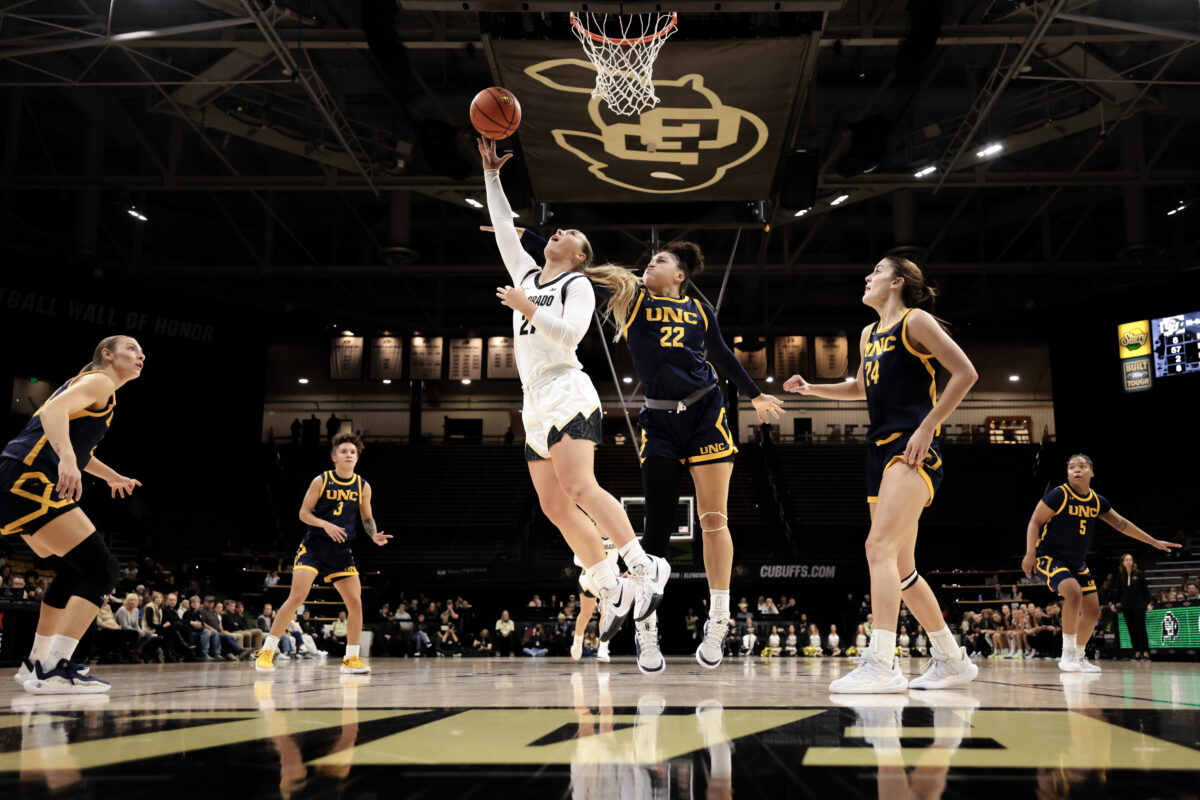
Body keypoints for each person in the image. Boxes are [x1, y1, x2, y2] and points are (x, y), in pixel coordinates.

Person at [479, 136, 665, 650]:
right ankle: (608, 586)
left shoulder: (575, 286)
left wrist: (526, 306)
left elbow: (572, 336)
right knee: (554, 508)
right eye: (554, 229)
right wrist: (493, 175)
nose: (555, 231)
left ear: (579, 255)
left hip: (568, 389)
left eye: (567, 233)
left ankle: (643, 566)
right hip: (534, 399)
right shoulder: (526, 272)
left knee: (581, 487)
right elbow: (502, 232)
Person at [572, 236, 782, 673]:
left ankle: (719, 618)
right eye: (649, 261)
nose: (650, 266)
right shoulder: (631, 299)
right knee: (658, 528)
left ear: (680, 276)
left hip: (706, 412)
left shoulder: (700, 310)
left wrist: (756, 395)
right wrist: (528, 240)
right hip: (661, 422)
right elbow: (580, 267)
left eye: (660, 261)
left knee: (713, 519)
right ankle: (646, 635)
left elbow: (722, 354)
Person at [786, 257, 979, 693]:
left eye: (875, 271)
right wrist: (812, 388)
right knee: (902, 566)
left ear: (896, 282)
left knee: (878, 547)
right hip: (879, 450)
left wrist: (928, 426)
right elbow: (859, 387)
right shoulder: (868, 334)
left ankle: (882, 661)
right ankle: (951, 658)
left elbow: (966, 373)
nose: (866, 277)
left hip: (911, 448)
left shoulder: (917, 320)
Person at [4, 335, 144, 694]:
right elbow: (53, 414)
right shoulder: (99, 380)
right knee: (105, 569)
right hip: (29, 478)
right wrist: (66, 458)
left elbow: (78, 449)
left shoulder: (99, 391)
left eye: (142, 351)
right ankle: (55, 667)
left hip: (17, 478)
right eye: (132, 348)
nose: (140, 354)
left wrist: (110, 475)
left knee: (73, 569)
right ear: (107, 355)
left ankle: (36, 663)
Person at [1022, 455, 1177, 672]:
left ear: (1091, 473)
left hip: (1076, 563)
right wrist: (1030, 553)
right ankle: (1067, 654)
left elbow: (1122, 524)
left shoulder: (1097, 501)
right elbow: (1035, 521)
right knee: (1073, 593)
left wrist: (1152, 541)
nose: (1076, 470)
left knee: (1094, 612)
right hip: (1049, 556)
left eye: (1082, 467)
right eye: (1072, 467)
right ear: (1067, 473)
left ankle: (1079, 655)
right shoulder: (1059, 495)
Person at [255, 433, 392, 675]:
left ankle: (351, 660)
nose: (349, 454)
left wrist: (373, 535)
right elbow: (303, 514)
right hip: (314, 546)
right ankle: (267, 652)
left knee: (356, 603)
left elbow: (367, 518)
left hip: (340, 550)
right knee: (297, 597)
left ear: (357, 458)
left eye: (353, 452)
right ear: (334, 457)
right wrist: (324, 524)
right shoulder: (321, 480)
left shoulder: (363, 486)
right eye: (344, 451)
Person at [570, 536, 616, 663]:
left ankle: (603, 648)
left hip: (609, 578)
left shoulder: (614, 531)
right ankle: (577, 642)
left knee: (606, 614)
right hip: (590, 578)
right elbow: (576, 559)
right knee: (586, 614)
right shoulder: (588, 531)